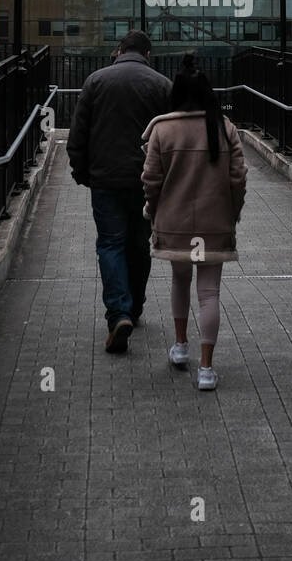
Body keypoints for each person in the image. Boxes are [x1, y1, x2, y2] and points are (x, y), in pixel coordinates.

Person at [141, 53, 247, 391]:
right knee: (209, 293)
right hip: (215, 225)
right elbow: (238, 179)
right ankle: (206, 368)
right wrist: (234, 212)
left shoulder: (162, 129)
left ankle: (181, 345)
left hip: (174, 224)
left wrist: (153, 211)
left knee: (179, 282)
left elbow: (151, 180)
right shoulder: (223, 128)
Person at [67, 30, 171, 354]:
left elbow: (78, 134)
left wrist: (82, 172)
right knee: (139, 243)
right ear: (148, 54)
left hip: (106, 180)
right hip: (145, 181)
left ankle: (119, 314)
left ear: (119, 50)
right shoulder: (162, 85)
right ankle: (134, 306)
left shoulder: (96, 81)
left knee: (111, 244)